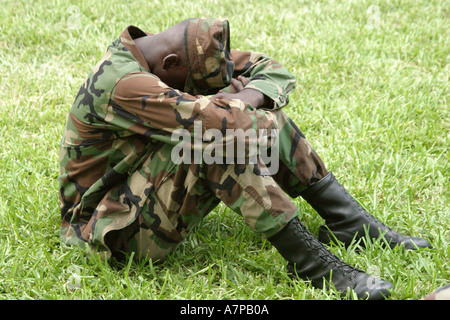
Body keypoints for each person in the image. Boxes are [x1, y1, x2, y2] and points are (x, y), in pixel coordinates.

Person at [58, 18, 431, 300]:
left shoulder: (166, 56)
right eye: (199, 84)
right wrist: (235, 105)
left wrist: (247, 96)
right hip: (104, 229)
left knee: (246, 114)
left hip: (136, 191)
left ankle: (346, 220)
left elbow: (272, 69)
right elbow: (226, 126)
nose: (212, 86)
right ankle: (311, 264)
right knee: (212, 141)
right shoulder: (124, 82)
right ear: (170, 64)